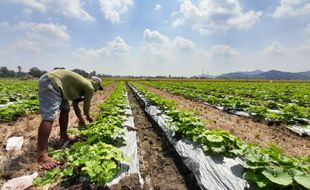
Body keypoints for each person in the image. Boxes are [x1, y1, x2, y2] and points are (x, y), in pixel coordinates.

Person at [37, 69, 103, 170]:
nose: (96, 90)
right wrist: (88, 116)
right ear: (97, 85)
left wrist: (80, 118)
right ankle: (42, 155)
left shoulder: (82, 84)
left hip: (58, 86)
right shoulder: (89, 87)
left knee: (65, 109)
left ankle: (64, 136)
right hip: (52, 82)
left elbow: (75, 104)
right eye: (98, 89)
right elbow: (87, 105)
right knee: (49, 116)